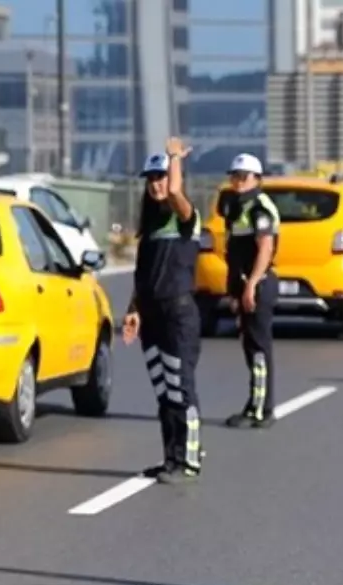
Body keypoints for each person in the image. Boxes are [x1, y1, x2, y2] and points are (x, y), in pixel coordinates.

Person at [121, 137, 204, 485]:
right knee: (162, 390)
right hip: (153, 316)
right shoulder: (151, 229)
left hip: (178, 315)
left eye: (161, 177)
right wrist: (133, 311)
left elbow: (175, 196)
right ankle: (170, 458)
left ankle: (189, 460)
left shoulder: (185, 219)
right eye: (151, 179)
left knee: (180, 387)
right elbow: (143, 277)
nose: (157, 185)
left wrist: (174, 160)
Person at [221, 153, 280, 429]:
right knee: (251, 346)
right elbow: (235, 252)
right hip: (244, 284)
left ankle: (260, 409)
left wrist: (252, 285)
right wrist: (234, 291)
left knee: (258, 348)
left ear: (257, 178)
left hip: (258, 283)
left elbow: (265, 248)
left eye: (243, 177)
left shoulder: (259, 207)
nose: (237, 181)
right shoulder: (237, 206)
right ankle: (256, 404)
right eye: (234, 176)